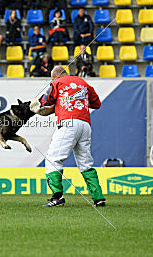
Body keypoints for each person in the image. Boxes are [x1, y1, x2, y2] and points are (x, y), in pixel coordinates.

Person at [31, 66, 105, 207]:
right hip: (85, 125)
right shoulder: (83, 83)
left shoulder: (57, 82)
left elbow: (47, 101)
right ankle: (98, 198)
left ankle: (57, 197)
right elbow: (97, 104)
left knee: (53, 159)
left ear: (56, 76)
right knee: (85, 163)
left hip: (68, 123)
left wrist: (37, 104)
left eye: (52, 79)